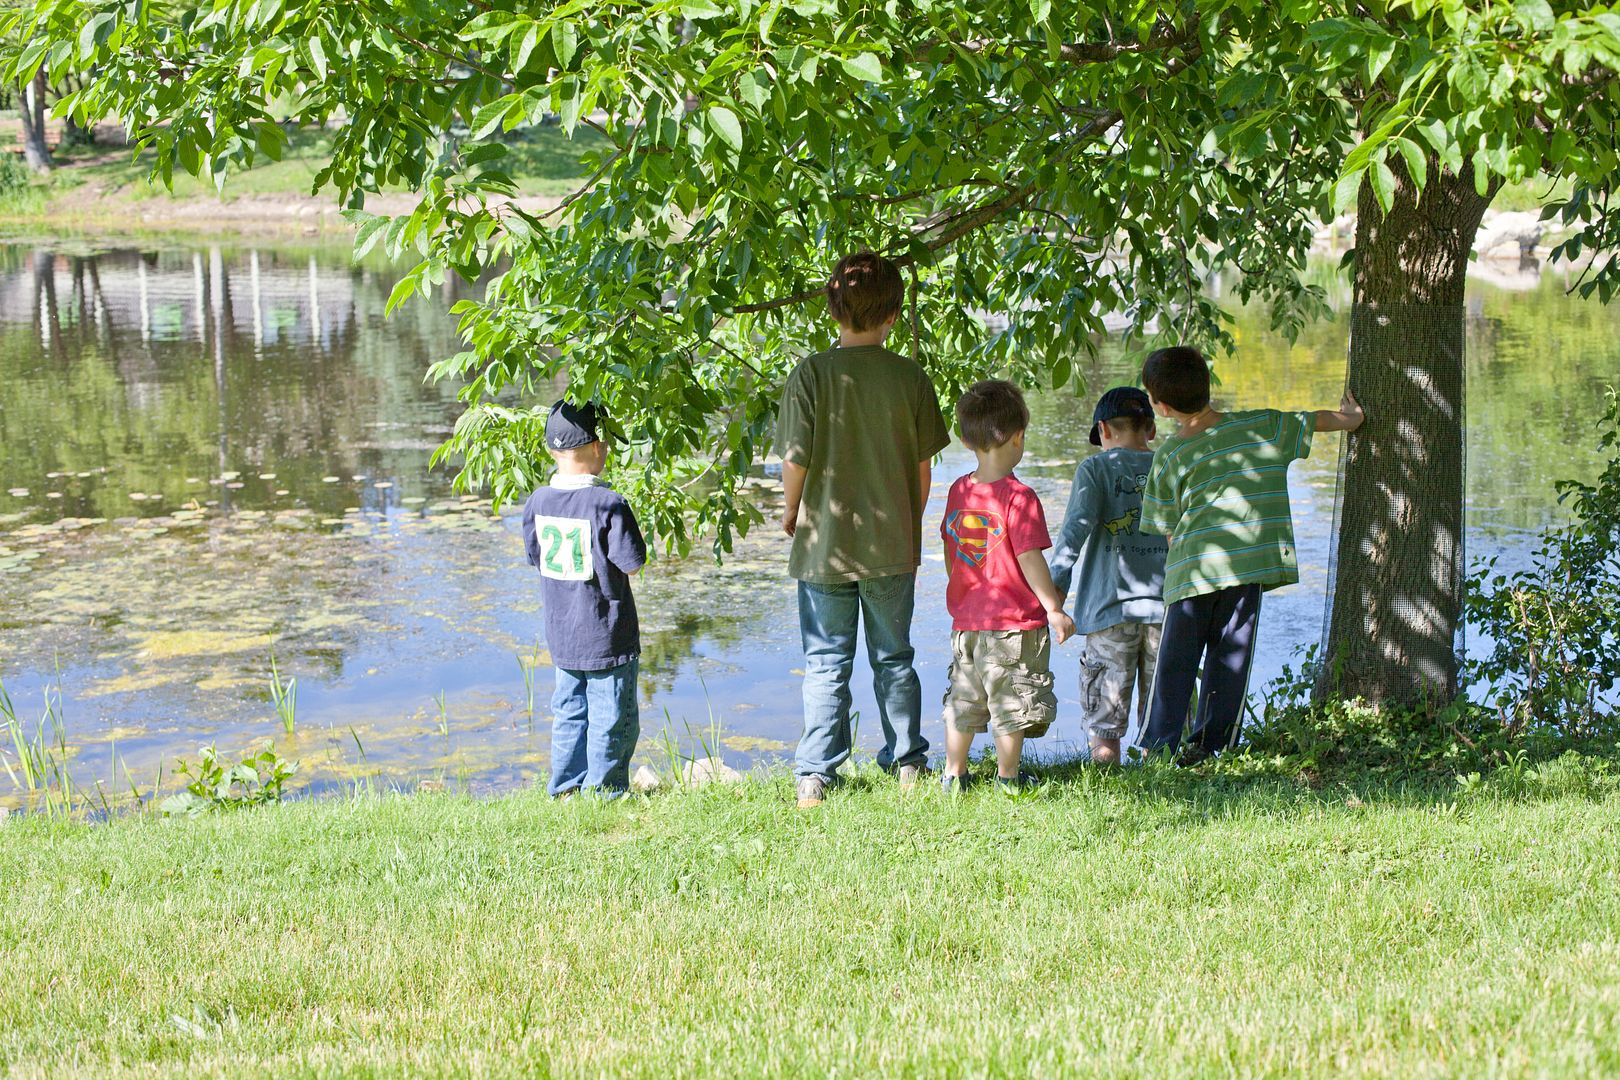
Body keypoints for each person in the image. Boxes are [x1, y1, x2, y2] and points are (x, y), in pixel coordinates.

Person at [776, 251, 952, 809]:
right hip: (890, 542)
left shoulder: (810, 374)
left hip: (823, 544)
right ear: (894, 315)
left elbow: (796, 459)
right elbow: (924, 469)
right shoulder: (910, 377)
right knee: (894, 657)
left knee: (827, 661)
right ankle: (907, 762)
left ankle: (815, 775)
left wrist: (790, 511)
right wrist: (909, 516)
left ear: (832, 310)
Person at [1137, 346, 1365, 762]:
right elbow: (1310, 420)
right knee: (1230, 660)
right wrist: (1352, 420)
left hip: (1193, 572)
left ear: (1162, 407)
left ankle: (1160, 747)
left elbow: (1166, 525)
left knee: (1174, 664)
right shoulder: (1260, 426)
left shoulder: (1170, 455)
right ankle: (1212, 747)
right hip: (1247, 571)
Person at [938, 379, 1075, 793]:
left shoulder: (959, 490)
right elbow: (1029, 557)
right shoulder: (1020, 496)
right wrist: (1052, 607)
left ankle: (953, 774)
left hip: (967, 622)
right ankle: (1008, 777)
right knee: (1012, 702)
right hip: (1013, 625)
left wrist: (961, 590)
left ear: (966, 440)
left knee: (963, 700)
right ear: (1017, 438)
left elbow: (951, 550)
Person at [521, 399, 647, 797]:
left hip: (562, 633)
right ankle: (607, 791)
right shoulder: (608, 504)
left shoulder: (537, 502)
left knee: (568, 712)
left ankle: (564, 788)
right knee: (612, 715)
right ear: (598, 447)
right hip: (608, 635)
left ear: (551, 451)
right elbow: (632, 564)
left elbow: (535, 557)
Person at [1048, 386, 1167, 766]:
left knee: (1104, 715)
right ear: (1149, 428)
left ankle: (1104, 777)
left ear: (1103, 429)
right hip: (1169, 609)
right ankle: (1163, 775)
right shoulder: (1170, 463)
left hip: (1107, 611)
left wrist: (1052, 599)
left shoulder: (1095, 469)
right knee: (1163, 708)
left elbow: (1072, 536)